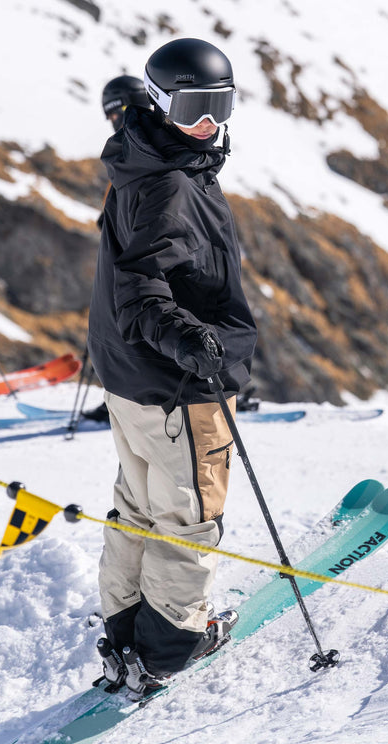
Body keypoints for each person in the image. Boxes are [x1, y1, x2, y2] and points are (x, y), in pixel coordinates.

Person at [88, 38, 258, 695]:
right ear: (159, 103)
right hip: (175, 387)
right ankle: (170, 647)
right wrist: (192, 341)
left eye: (220, 106)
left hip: (133, 382)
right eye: (194, 108)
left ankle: (127, 639)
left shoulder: (146, 160)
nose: (210, 124)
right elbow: (143, 293)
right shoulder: (171, 185)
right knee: (188, 517)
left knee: (139, 509)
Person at [81, 75, 153, 426]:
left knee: (128, 318)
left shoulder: (140, 143)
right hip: (132, 242)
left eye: (114, 114)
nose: (113, 122)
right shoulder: (145, 141)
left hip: (138, 250)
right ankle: (121, 395)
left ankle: (127, 396)